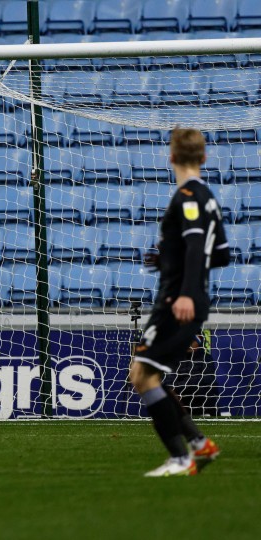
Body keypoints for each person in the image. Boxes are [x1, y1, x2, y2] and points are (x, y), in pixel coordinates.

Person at [132, 128, 229, 477]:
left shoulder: (187, 196)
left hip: (177, 300)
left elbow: (195, 243)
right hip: (190, 295)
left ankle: (181, 457)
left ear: (170, 157)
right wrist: (167, 260)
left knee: (142, 375)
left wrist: (184, 291)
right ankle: (199, 443)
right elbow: (220, 255)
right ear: (205, 158)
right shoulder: (208, 198)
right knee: (150, 374)